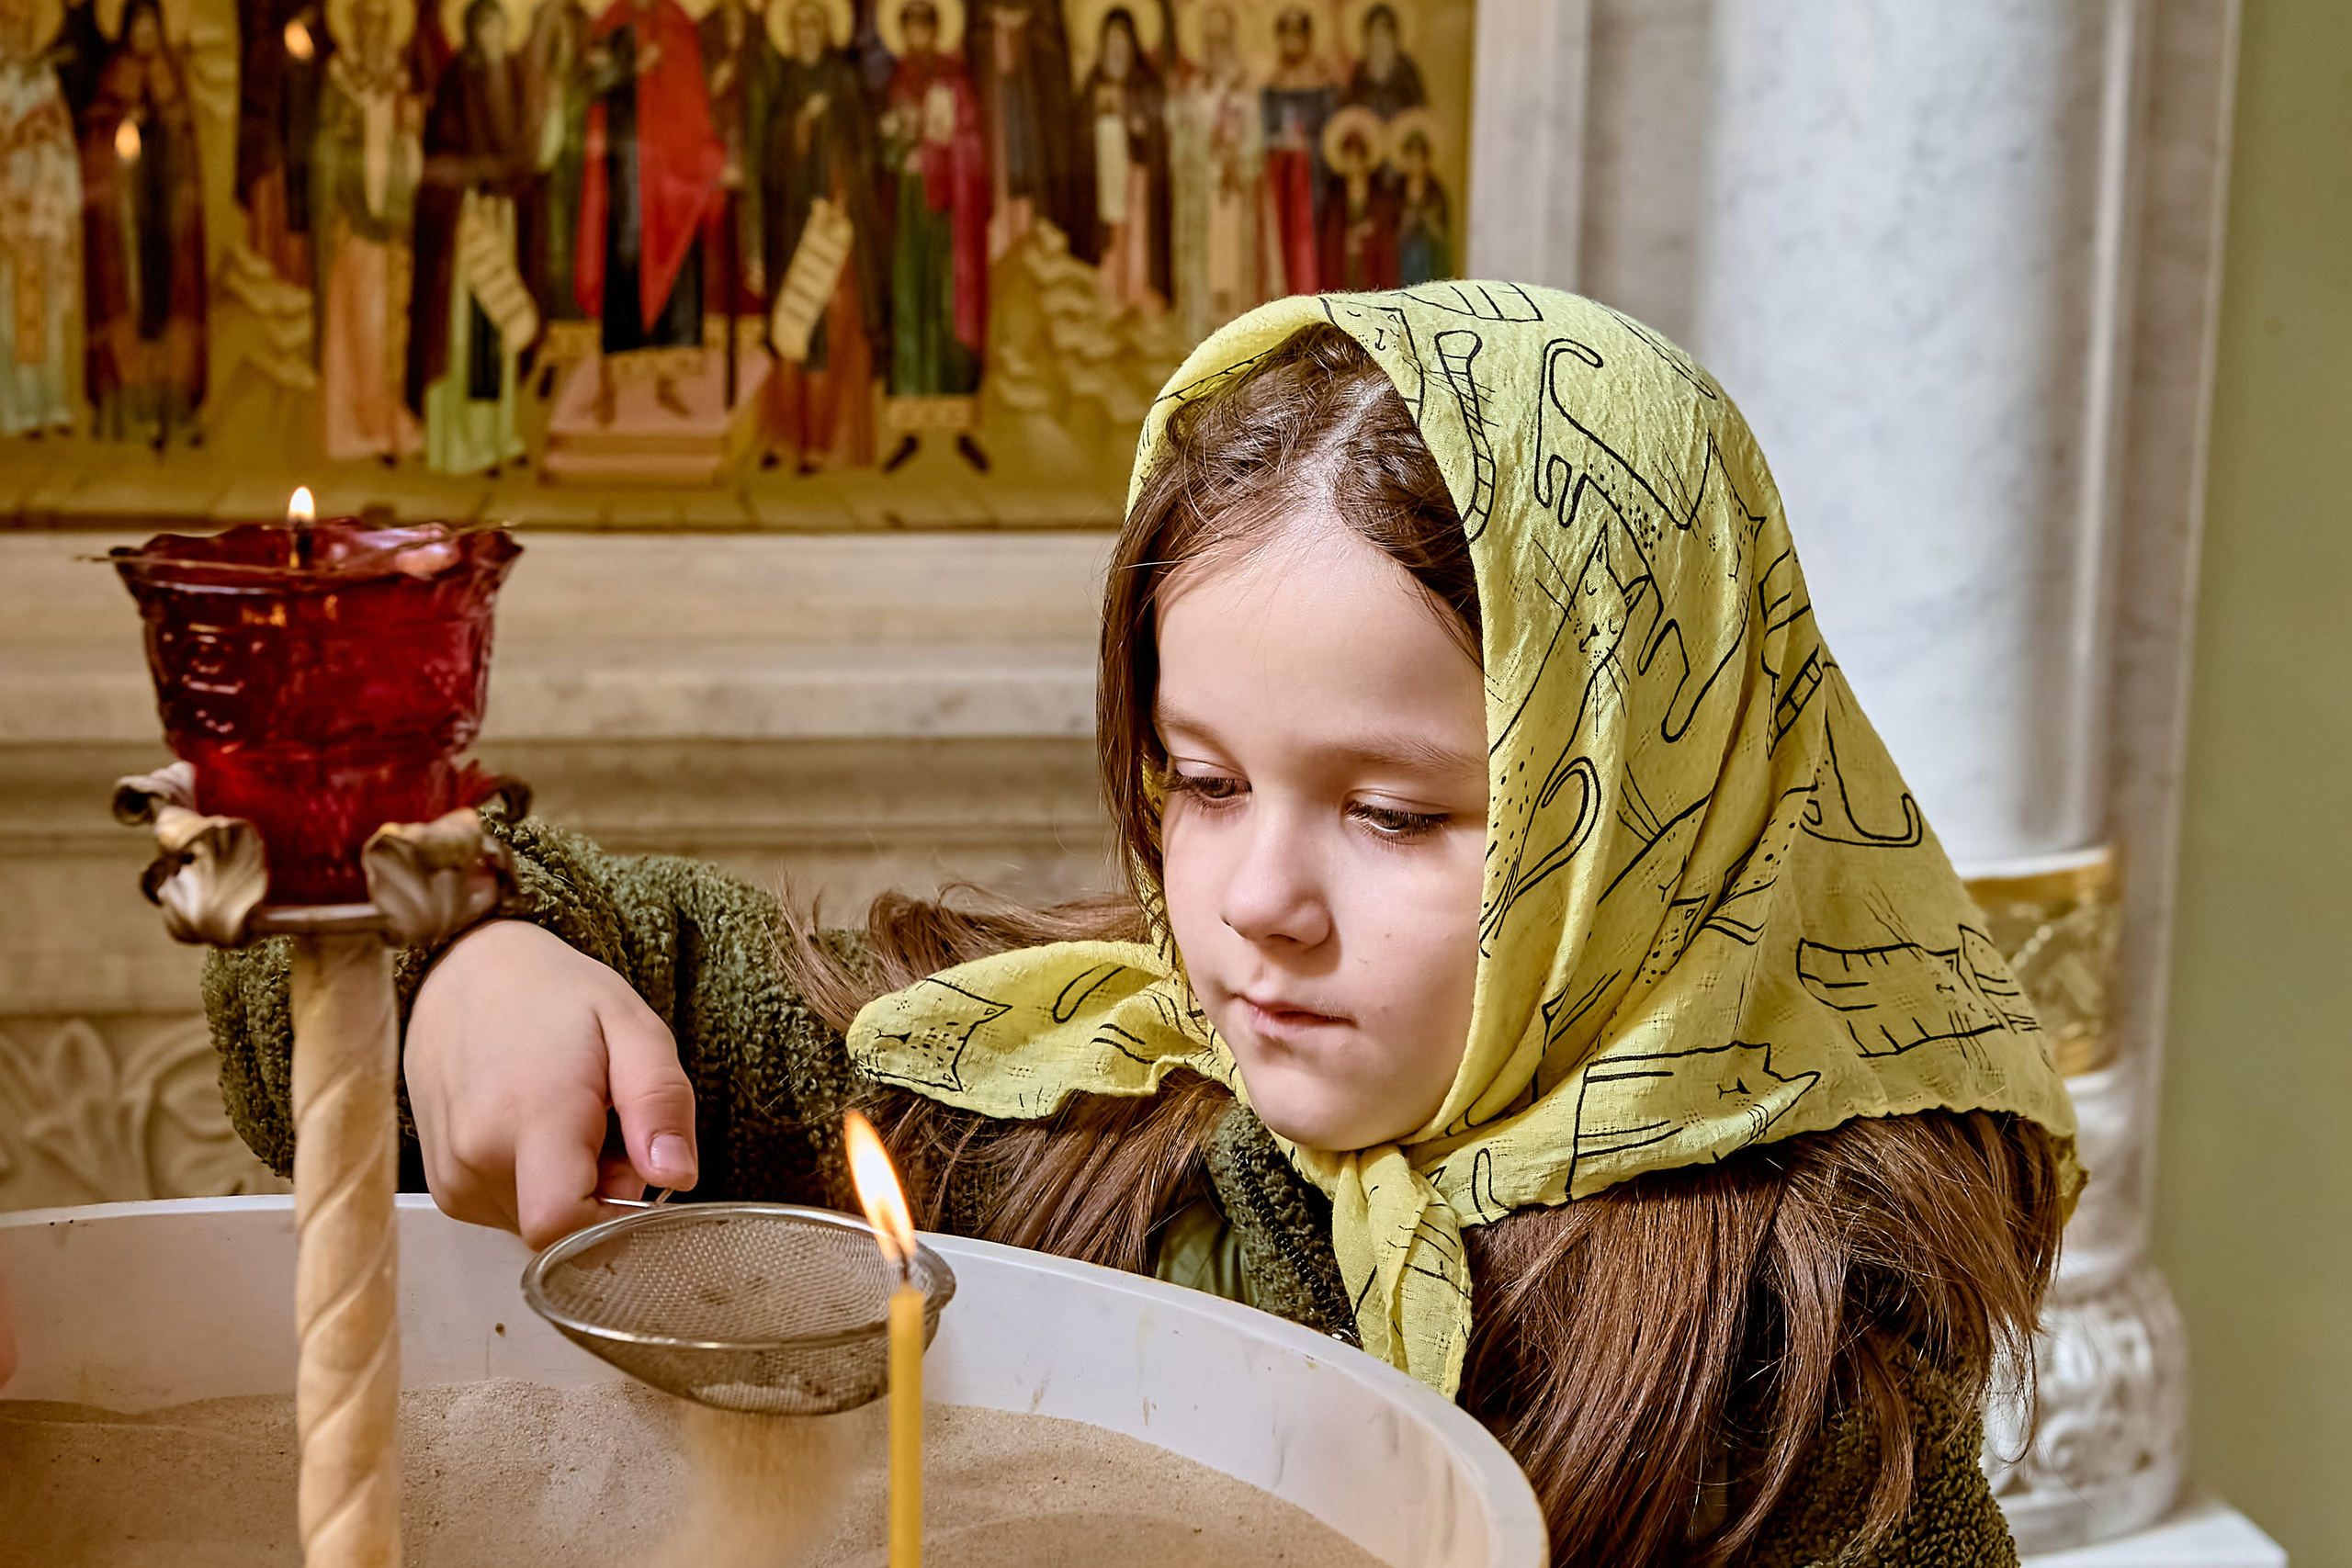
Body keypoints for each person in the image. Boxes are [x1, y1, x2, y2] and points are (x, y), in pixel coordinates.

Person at [205, 287, 2077, 1567]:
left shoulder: (1789, 1380)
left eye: (1393, 810)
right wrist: (469, 958)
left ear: (1652, 817)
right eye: (1198, 780)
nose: (1255, 900)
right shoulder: (1055, 1111)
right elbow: (403, 968)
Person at [575, 0, 724, 423]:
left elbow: (693, 98)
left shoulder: (678, 25)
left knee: (677, 271)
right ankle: (610, 388)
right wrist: (630, 65)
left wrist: (702, 159)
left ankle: (668, 382)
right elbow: (590, 84)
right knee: (622, 263)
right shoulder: (612, 23)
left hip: (673, 175)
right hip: (625, 166)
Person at [408, 0, 531, 473]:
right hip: (469, 220)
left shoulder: (514, 77)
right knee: (466, 334)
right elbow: (443, 150)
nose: (497, 37)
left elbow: (523, 145)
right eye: (488, 29)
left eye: (502, 28)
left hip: (500, 213)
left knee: (497, 330)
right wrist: (475, 181)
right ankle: (461, 445)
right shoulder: (459, 78)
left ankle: (498, 437)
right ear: (474, 33)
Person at [761, 0, 884, 471]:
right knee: (791, 333)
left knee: (828, 338)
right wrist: (798, 125)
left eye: (815, 24)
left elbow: (861, 151)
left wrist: (844, 198)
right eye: (800, 25)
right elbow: (769, 157)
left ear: (825, 31)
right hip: (792, 228)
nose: (808, 32)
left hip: (832, 232)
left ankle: (823, 443)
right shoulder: (785, 86)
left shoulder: (843, 83)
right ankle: (788, 438)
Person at [79, 0, 207, 448]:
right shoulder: (114, 76)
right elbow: (96, 137)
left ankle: (172, 410)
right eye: (140, 26)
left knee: (168, 304)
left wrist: (165, 133)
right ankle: (126, 412)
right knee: (128, 303)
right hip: (125, 219)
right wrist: (121, 129)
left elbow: (186, 142)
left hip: (167, 219)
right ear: (128, 30)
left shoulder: (173, 75)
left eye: (154, 26)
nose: (147, 35)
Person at [876, 0, 985, 469]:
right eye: (909, 27)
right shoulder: (897, 81)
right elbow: (882, 149)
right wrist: (900, 152)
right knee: (909, 303)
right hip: (907, 207)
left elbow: (974, 143)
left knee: (945, 303)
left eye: (924, 26)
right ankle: (908, 428)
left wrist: (943, 153)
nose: (917, 35)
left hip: (947, 213)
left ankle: (961, 426)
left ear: (936, 30)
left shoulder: (954, 80)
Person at [312, 0, 421, 462]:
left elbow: (413, 148)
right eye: (366, 26)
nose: (374, 36)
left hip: (389, 223)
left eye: (382, 27)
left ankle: (384, 425)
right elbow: (324, 151)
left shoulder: (398, 85)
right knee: (354, 329)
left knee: (385, 332)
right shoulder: (339, 83)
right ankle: (353, 429)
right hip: (351, 226)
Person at [1169, 0, 1274, 343]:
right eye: (1209, 39)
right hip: (1199, 203)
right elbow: (1179, 148)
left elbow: (1255, 152)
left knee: (1231, 283)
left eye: (1222, 38)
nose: (1215, 47)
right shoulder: (1192, 93)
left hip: (1231, 200)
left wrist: (1235, 160)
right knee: (1200, 283)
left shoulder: (1243, 95)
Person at [0, 0, 80, 436]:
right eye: (7, 23)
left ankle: (50, 406)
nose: (15, 32)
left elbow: (63, 145)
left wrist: (65, 199)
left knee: (45, 318)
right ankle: (14, 413)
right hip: (6, 217)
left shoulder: (45, 81)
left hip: (43, 215)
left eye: (22, 24)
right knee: (8, 322)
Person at [1075, 5, 1167, 313]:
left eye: (1122, 40)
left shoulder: (1146, 82)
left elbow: (1157, 129)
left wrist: (1136, 124)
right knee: (1111, 241)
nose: (1116, 48)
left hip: (1137, 178)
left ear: (1133, 42)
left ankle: (1138, 296)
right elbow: (1079, 133)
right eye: (1110, 41)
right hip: (1102, 183)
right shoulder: (1093, 84)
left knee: (1137, 238)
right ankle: (1108, 300)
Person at [1258, 5, 1329, 296]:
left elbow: (1334, 140)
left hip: (1312, 188)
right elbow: (1261, 135)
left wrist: (1308, 147)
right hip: (1278, 183)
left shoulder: (1324, 88)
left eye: (1297, 35)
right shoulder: (1271, 89)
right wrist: (1277, 144)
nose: (1291, 42)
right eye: (1285, 35)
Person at [1389, 106, 1446, 286]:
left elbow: (1442, 227)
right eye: (1411, 157)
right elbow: (1389, 224)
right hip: (1402, 251)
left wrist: (1430, 222)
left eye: (1419, 158)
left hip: (1426, 251)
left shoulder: (1434, 190)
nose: (1415, 163)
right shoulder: (1397, 189)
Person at [1338, 0, 1418, 119]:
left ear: (1394, 37)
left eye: (1384, 33)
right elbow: (1348, 112)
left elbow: (1419, 113)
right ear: (1366, 37)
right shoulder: (1360, 71)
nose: (1379, 40)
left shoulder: (1406, 69)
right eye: (1374, 33)